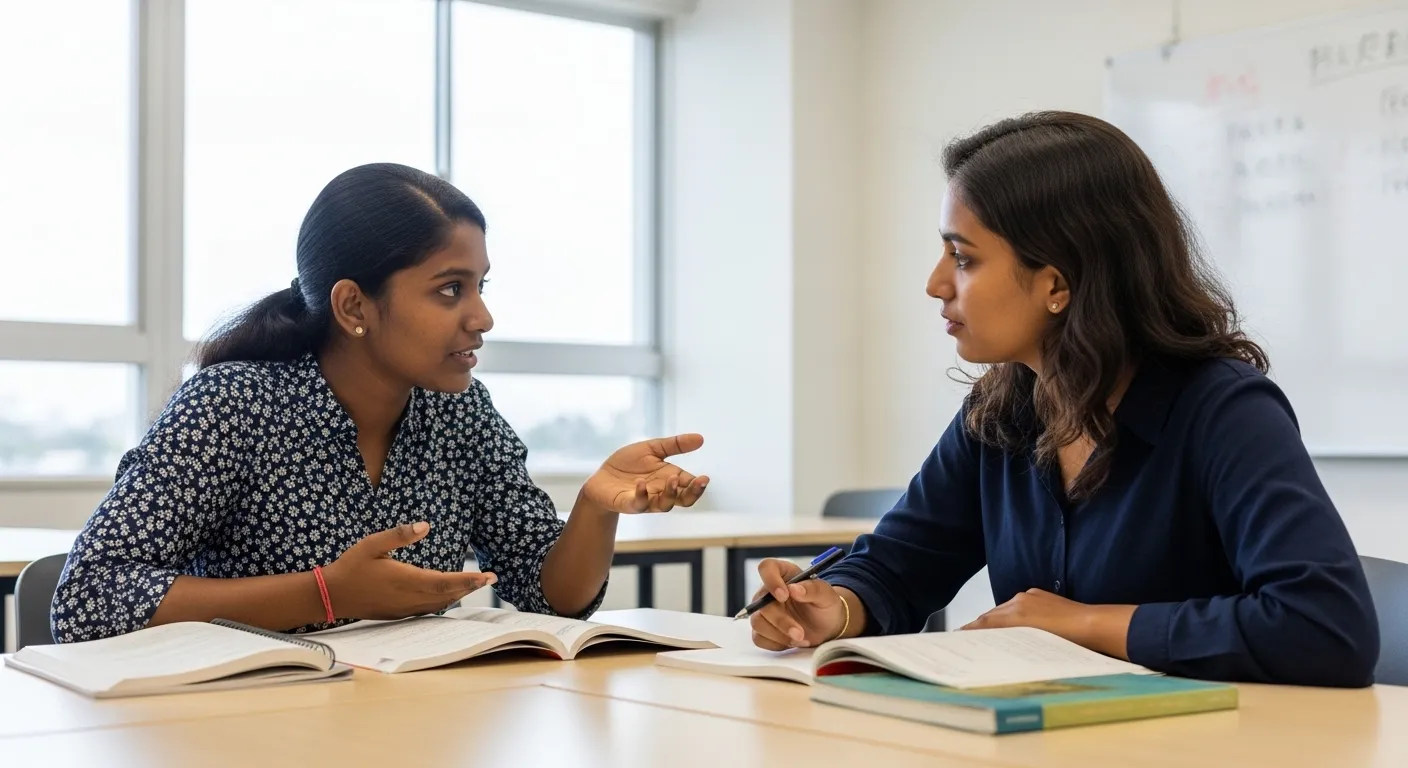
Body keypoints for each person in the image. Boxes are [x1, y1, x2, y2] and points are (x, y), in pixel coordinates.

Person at [749, 111, 1381, 687]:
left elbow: (1325, 626)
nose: (935, 284)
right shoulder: (998, 412)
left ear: (1057, 283)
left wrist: (1083, 623)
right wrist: (834, 608)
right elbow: (898, 566)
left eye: (963, 258)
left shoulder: (1224, 410)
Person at [52, 163, 708, 643]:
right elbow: (87, 599)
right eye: (450, 290)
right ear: (353, 305)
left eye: (479, 285)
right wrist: (325, 594)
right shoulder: (233, 405)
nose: (482, 316)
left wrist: (595, 508)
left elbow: (548, 597)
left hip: (411, 721)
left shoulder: (461, 413)